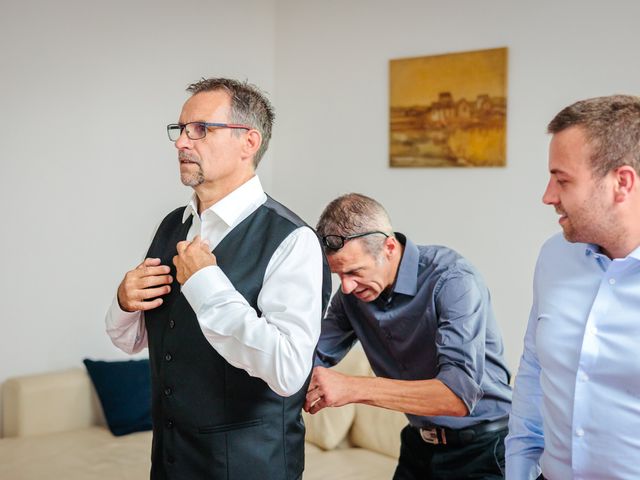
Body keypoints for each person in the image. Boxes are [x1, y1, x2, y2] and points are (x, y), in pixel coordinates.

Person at [105, 77, 330, 480]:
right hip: (170, 462)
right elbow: (133, 340)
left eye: (201, 129)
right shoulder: (173, 225)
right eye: (180, 130)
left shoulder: (293, 241)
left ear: (249, 142)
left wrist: (206, 283)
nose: (181, 143)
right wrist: (124, 302)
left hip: (250, 467)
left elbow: (288, 369)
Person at [305, 193, 512, 479]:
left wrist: (353, 388)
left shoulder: (453, 280)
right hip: (419, 443)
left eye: (354, 272)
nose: (347, 287)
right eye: (338, 274)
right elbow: (307, 358)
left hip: (484, 448)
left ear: (389, 247)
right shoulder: (351, 296)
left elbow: (457, 395)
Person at [505, 95, 640, 480]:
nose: (548, 196)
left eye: (562, 180)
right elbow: (534, 370)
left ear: (622, 183)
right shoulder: (554, 257)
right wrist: (518, 470)